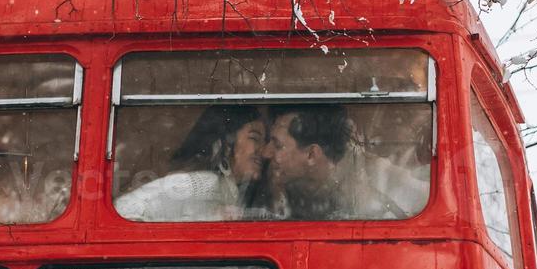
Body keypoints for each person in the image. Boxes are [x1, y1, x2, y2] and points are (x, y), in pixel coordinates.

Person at [262, 105, 428, 220]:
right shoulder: (284, 182)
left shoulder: (382, 180)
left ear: (312, 155)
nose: (265, 152)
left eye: (277, 145)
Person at [115, 105, 267, 221]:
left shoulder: (229, 189)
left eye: (265, 141)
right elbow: (125, 210)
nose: (264, 151)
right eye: (254, 138)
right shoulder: (207, 185)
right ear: (225, 144)